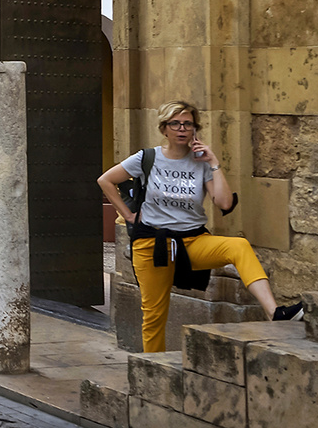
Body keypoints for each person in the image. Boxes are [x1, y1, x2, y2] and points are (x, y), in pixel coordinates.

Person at [98, 101, 304, 353]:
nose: (182, 129)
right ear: (164, 128)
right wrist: (128, 215)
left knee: (238, 246)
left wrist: (214, 162)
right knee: (153, 316)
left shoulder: (202, 163)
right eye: (175, 123)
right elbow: (105, 180)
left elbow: (225, 203)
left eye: (188, 124)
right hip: (153, 243)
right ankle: (156, 370)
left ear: (195, 129)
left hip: (192, 241)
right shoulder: (147, 158)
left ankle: (275, 312)